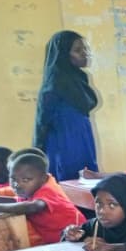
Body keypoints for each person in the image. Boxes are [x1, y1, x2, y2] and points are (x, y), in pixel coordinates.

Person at [34, 30, 99, 181]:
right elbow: (42, 122)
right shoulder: (56, 83)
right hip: (64, 146)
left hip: (82, 141)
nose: (85, 53)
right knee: (71, 183)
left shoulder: (78, 78)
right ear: (63, 54)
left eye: (85, 48)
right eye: (77, 50)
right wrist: (37, 154)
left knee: (87, 180)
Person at [0, 153, 84, 245]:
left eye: (25, 180)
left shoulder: (48, 189)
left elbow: (34, 207)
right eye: (13, 179)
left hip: (78, 237)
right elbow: (14, 202)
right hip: (57, 243)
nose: (17, 185)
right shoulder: (30, 190)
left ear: (43, 178)